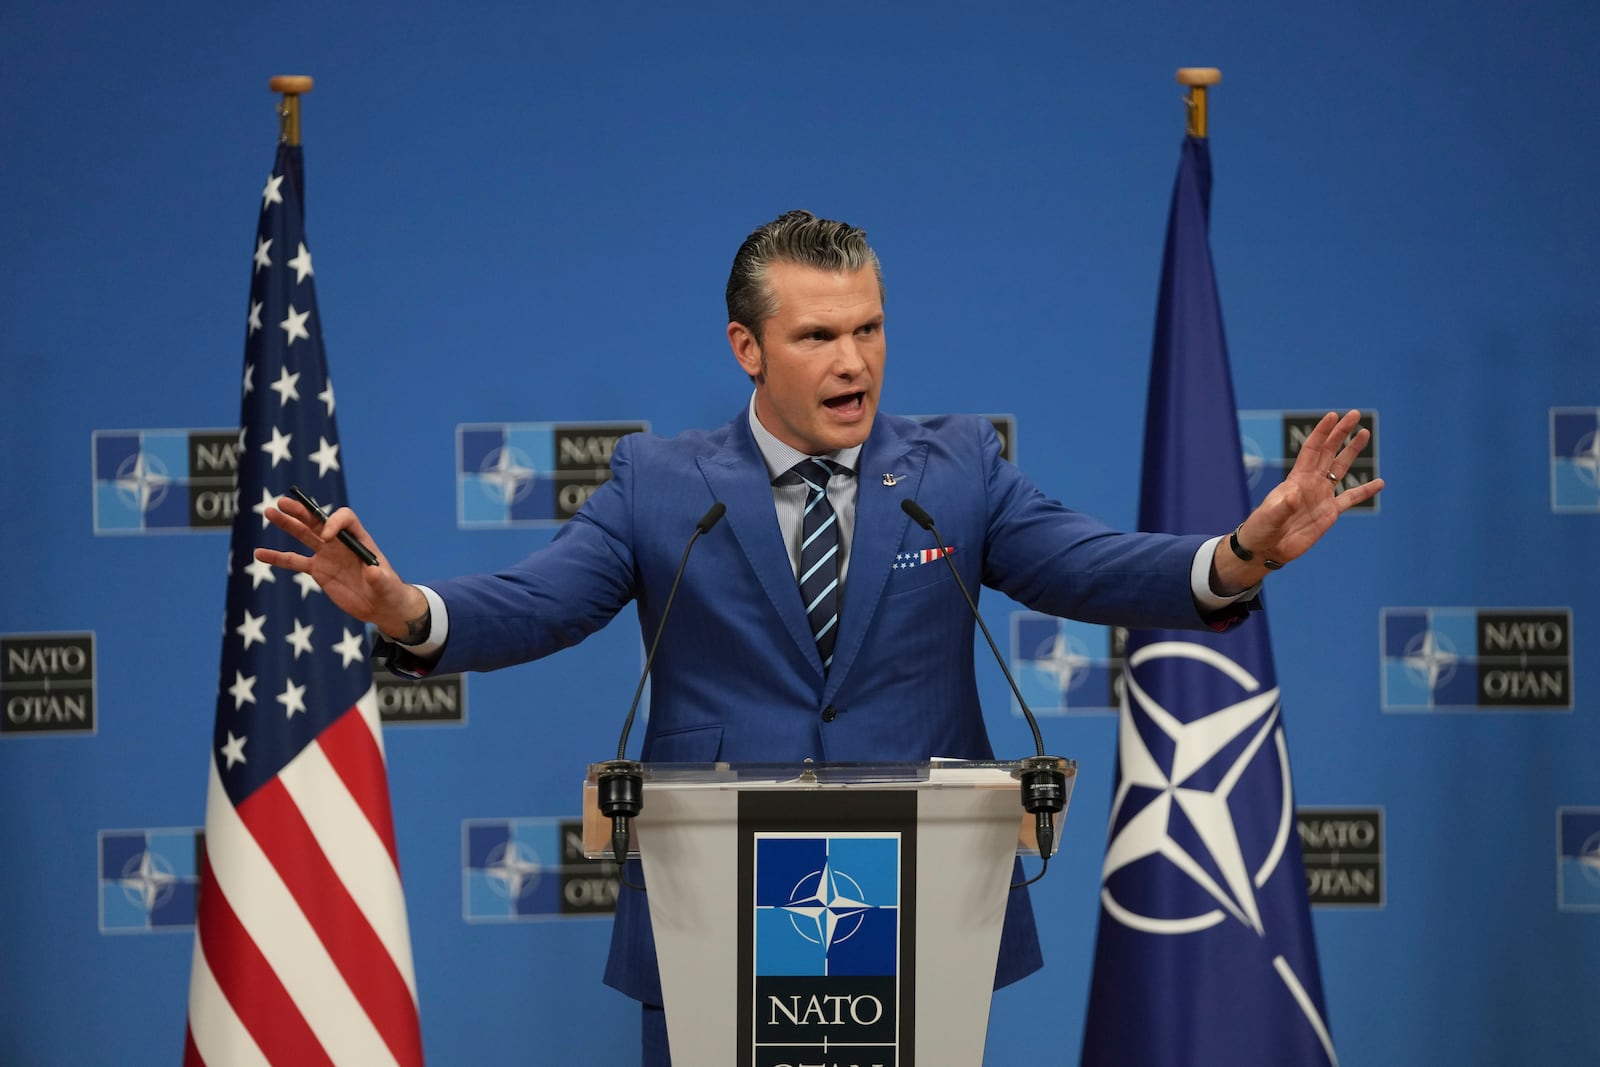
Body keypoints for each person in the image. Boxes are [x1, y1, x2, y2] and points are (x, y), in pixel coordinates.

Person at [256, 210, 1382, 1064]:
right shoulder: (659, 484)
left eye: (869, 329)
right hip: (715, 908)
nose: (854, 361)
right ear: (748, 347)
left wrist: (1241, 550)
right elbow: (540, 599)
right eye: (818, 336)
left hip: (921, 899)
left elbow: (1094, 565)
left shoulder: (955, 468)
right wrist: (408, 613)